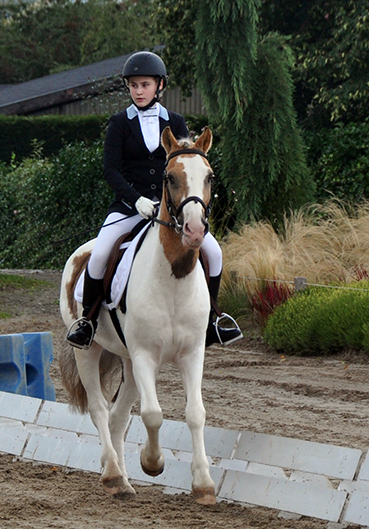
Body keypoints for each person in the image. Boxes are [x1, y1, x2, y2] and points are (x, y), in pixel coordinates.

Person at [66, 51, 242, 350]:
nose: (138, 91)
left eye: (145, 85)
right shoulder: (119, 123)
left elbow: (187, 166)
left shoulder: (175, 121)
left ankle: (213, 319)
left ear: (159, 85)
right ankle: (88, 322)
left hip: (171, 210)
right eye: (133, 85)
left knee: (214, 252)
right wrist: (135, 200)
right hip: (129, 207)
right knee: (100, 254)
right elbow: (111, 170)